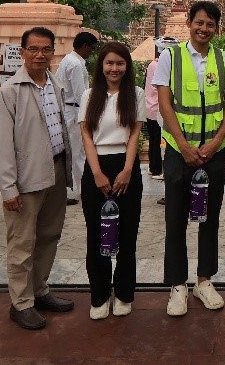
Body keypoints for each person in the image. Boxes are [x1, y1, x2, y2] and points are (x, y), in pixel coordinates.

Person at [151, 0, 225, 316]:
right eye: (199, 22)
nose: (204, 29)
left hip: (214, 152)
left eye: (210, 24)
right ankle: (178, 284)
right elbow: (165, 104)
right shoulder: (170, 58)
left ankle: (204, 280)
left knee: (209, 219)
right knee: (175, 219)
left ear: (217, 28)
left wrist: (216, 143)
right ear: (189, 23)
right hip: (179, 152)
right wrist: (183, 145)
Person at [0, 26, 77, 330]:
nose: (40, 55)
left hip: (55, 170)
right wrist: (8, 188)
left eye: (46, 49)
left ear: (53, 52)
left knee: (49, 235)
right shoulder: (10, 92)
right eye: (33, 49)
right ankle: (21, 303)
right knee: (22, 242)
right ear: (23, 52)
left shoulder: (55, 85)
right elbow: (1, 144)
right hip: (25, 177)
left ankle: (39, 290)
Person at [78, 41, 146, 320]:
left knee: (127, 235)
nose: (114, 68)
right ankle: (100, 295)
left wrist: (128, 169)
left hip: (126, 167)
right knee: (96, 235)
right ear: (101, 66)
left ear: (127, 66)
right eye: (109, 63)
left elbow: (135, 134)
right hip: (96, 167)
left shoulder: (136, 94)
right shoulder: (90, 95)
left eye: (120, 63)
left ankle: (124, 294)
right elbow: (86, 135)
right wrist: (96, 173)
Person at [59, 32, 98, 206]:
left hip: (71, 109)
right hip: (74, 110)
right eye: (91, 48)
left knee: (78, 152)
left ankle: (81, 188)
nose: (91, 52)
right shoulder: (75, 64)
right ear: (85, 46)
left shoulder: (69, 59)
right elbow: (81, 94)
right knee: (75, 153)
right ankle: (73, 190)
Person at [144, 36, 177, 182]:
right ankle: (158, 169)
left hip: (151, 107)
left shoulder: (152, 64)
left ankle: (153, 167)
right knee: (160, 141)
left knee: (154, 140)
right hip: (157, 108)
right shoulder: (159, 66)